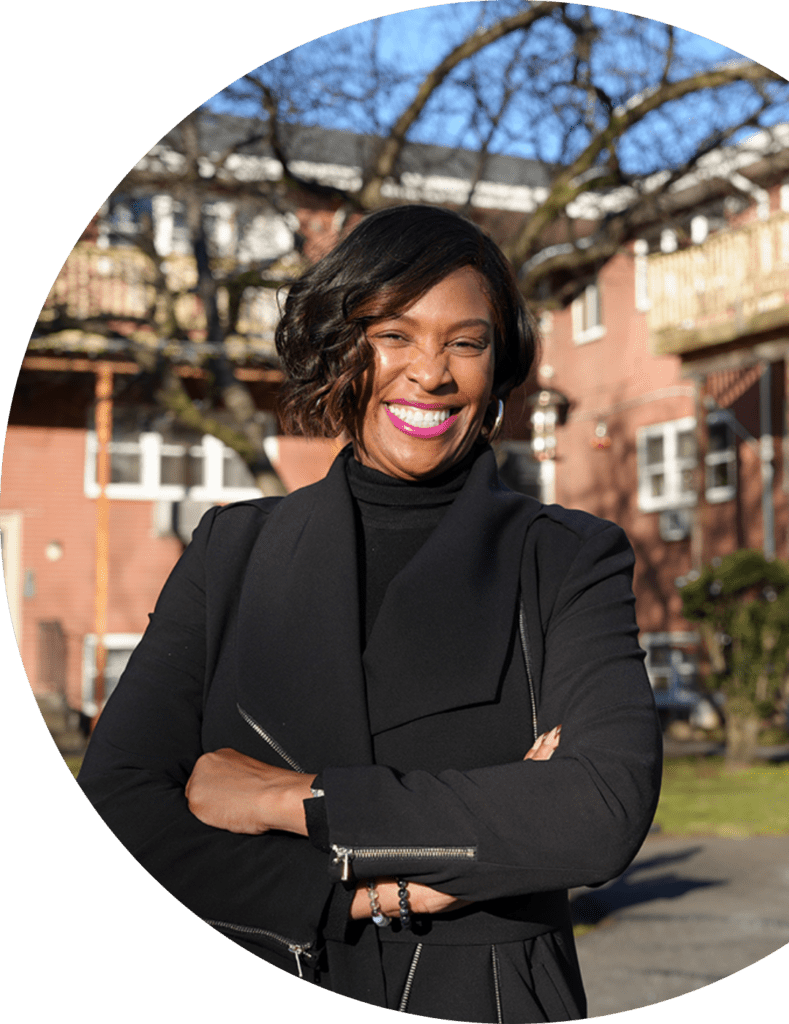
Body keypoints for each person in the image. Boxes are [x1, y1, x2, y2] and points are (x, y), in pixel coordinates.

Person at [78, 205, 662, 1023]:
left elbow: (597, 813)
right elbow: (116, 812)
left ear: (499, 365)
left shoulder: (565, 556)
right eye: (394, 334)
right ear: (339, 348)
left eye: (467, 341)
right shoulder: (232, 549)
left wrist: (293, 800)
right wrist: (369, 894)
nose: (431, 373)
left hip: (482, 999)